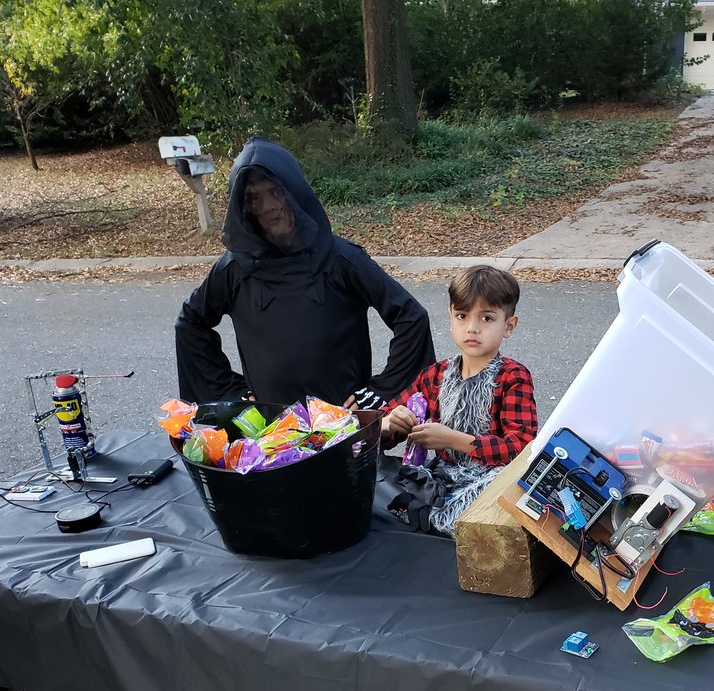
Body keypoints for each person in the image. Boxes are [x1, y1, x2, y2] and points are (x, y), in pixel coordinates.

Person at [175, 136, 435, 409]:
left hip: (342, 427)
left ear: (294, 191)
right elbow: (191, 324)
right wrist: (229, 392)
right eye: (254, 198)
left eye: (275, 192)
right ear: (243, 207)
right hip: (269, 433)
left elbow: (411, 318)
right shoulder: (234, 269)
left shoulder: (342, 259)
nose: (268, 206)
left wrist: (379, 393)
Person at [380, 265, 537, 535]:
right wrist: (390, 424)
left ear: (508, 326)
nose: (472, 328)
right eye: (462, 316)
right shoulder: (434, 375)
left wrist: (454, 440)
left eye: (486, 318)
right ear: (451, 318)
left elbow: (522, 448)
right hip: (442, 478)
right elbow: (380, 424)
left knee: (492, 508)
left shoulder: (512, 377)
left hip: (490, 481)